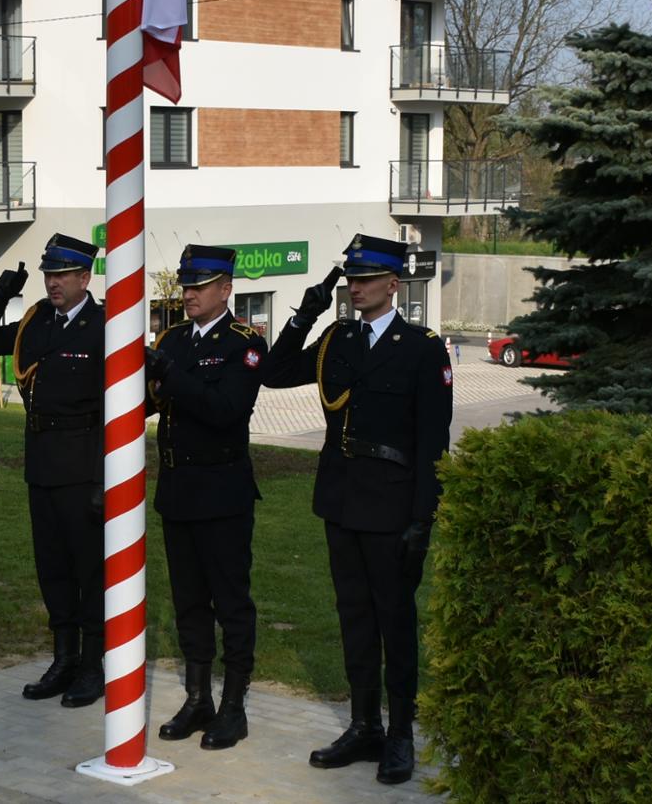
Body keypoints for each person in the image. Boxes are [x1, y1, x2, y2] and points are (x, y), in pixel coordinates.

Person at [259, 233, 452, 785]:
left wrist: (423, 518)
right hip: (342, 500)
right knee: (354, 617)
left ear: (394, 284)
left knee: (395, 620)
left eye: (367, 279)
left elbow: (432, 441)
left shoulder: (421, 348)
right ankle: (364, 725)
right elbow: (273, 373)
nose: (357, 287)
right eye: (352, 279)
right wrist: (304, 314)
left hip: (392, 505)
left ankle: (400, 735)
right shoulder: (336, 339)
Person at [0, 233, 109, 708]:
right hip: (43, 464)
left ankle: (92, 667)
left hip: (84, 467)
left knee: (90, 571)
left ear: (84, 277)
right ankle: (63, 659)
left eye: (62, 275)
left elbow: (119, 409)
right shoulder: (35, 321)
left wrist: (103, 478)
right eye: (49, 275)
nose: (54, 283)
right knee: (53, 570)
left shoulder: (104, 325)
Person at [142, 244, 269, 750]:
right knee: (189, 600)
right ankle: (198, 697)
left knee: (231, 602)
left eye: (199, 286)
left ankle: (233, 706)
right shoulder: (172, 338)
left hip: (222, 492)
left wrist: (170, 375)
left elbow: (226, 409)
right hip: (179, 489)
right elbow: (150, 403)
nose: (189, 293)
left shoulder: (244, 343)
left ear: (225, 289)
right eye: (185, 285)